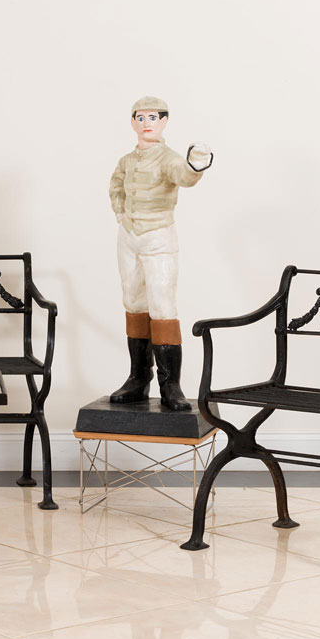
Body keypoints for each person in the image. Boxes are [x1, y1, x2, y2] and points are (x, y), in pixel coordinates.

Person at [107, 96, 212, 411]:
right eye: (140, 117)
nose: (146, 123)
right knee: (133, 302)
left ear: (164, 121)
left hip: (158, 236)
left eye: (152, 117)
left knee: (162, 305)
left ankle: (171, 386)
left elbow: (184, 175)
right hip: (129, 237)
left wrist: (196, 164)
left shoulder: (169, 158)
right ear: (132, 122)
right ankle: (138, 379)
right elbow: (116, 187)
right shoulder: (127, 160)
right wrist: (121, 216)